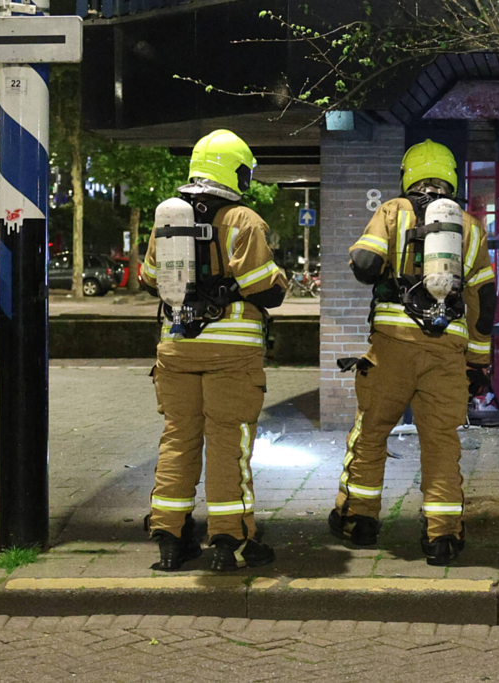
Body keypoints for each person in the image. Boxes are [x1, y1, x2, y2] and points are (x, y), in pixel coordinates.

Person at [330, 139, 497, 566]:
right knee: (441, 443)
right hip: (446, 354)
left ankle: (359, 520)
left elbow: (366, 265)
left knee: (371, 433)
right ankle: (443, 537)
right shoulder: (470, 227)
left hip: (393, 350)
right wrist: (478, 361)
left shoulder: (392, 211)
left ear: (409, 174)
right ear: (451, 177)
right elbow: (485, 302)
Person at [140, 129, 287, 572]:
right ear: (233, 170)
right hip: (231, 354)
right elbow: (265, 287)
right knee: (228, 445)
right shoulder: (244, 219)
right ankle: (230, 544)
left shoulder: (168, 219)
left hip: (176, 349)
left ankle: (171, 539)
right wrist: (279, 279)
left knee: (178, 441)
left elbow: (149, 279)